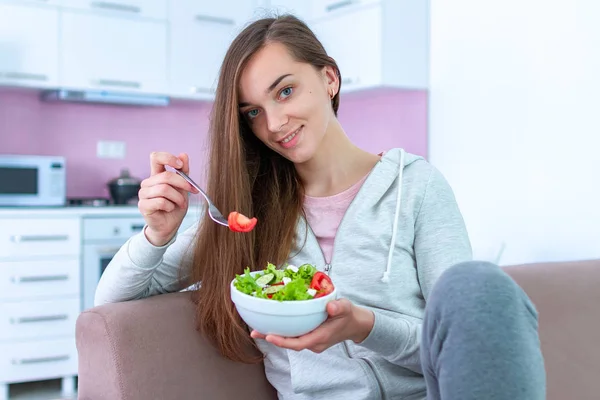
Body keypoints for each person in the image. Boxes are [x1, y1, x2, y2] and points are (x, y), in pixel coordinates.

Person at [95, 14, 546, 400]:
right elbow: (110, 302)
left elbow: (452, 346)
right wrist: (159, 234)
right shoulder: (244, 211)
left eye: (285, 92)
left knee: (479, 285)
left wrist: (365, 325)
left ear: (329, 79)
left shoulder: (417, 188)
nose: (273, 124)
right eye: (252, 112)